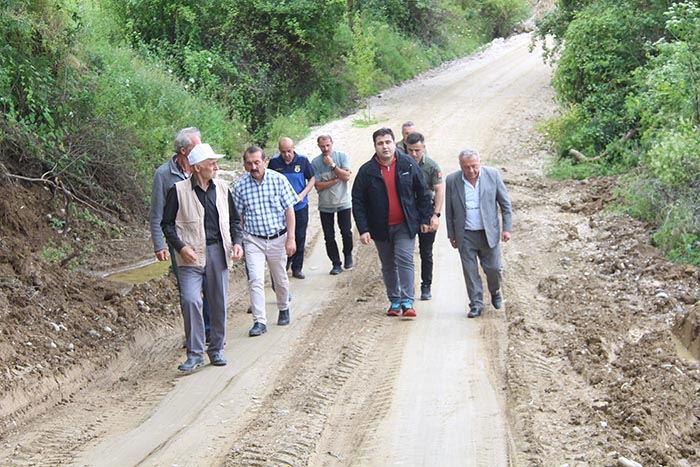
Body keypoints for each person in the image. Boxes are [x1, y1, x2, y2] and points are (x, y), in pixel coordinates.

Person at [161, 143, 244, 372]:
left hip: (218, 250)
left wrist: (237, 243)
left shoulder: (223, 188)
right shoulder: (177, 191)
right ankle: (195, 354)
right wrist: (180, 247)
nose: (216, 167)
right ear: (197, 167)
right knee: (190, 300)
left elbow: (235, 221)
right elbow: (166, 225)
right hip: (190, 256)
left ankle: (216, 349)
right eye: (211, 163)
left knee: (218, 302)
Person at [352, 128, 432, 318]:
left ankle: (407, 301)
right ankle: (394, 300)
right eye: (380, 143)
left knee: (405, 260)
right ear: (375, 146)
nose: (385, 147)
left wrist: (424, 218)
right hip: (380, 227)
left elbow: (423, 192)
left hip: (405, 224)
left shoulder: (408, 164)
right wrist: (363, 229)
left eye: (388, 142)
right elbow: (358, 200)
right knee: (388, 264)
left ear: (394, 143)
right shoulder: (367, 171)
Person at [149, 127, 212, 341]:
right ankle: (193, 335)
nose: (202, 149)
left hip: (206, 236)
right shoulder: (163, 174)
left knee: (209, 286)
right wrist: (159, 244)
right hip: (180, 240)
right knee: (188, 292)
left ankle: (210, 331)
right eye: (197, 145)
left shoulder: (203, 168)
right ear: (185, 151)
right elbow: (157, 211)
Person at [232, 146, 299, 336]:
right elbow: (238, 217)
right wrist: (240, 241)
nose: (253, 166)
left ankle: (283, 306)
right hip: (253, 240)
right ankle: (259, 321)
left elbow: (289, 210)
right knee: (255, 279)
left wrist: (291, 238)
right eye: (249, 163)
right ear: (244, 165)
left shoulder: (279, 180)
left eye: (257, 162)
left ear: (265, 161)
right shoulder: (239, 186)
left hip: (278, 237)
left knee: (280, 278)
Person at [444, 149, 512, 318]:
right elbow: (449, 210)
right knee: (470, 271)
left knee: (494, 269)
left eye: (474, 166)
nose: (471, 171)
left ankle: (495, 291)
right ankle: (476, 304)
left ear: (479, 163)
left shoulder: (492, 175)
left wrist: (507, 228)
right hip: (465, 234)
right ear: (461, 166)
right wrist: (451, 233)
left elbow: (505, 204)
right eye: (467, 167)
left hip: (489, 232)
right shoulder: (453, 180)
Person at [267, 137, 315, 279]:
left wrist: (303, 194)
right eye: (283, 152)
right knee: (283, 237)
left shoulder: (303, 161)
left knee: (299, 236)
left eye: (289, 151)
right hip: (281, 209)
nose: (287, 155)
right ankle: (284, 266)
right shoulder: (274, 163)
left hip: (300, 206)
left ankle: (297, 268)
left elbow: (312, 178)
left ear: (293, 148)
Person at [405, 132, 443, 300]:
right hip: (408, 213)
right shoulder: (402, 165)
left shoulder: (431, 166)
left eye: (417, 150)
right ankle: (406, 287)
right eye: (411, 150)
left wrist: (436, 215)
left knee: (426, 251)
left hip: (427, 211)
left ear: (424, 148)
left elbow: (439, 190)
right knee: (405, 252)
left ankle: (426, 285)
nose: (414, 154)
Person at [311, 134, 353, 275]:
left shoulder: (342, 156)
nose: (325, 148)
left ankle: (348, 255)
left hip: (343, 202)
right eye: (322, 146)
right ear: (319, 146)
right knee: (329, 236)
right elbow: (318, 185)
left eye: (328, 145)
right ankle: (336, 263)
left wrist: (333, 165)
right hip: (325, 205)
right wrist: (336, 180)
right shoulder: (315, 162)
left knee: (346, 232)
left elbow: (346, 177)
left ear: (332, 143)